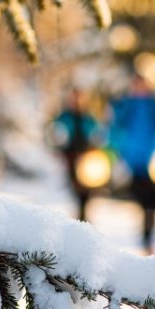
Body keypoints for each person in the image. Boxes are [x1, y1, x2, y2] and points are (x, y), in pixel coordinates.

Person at [108, 72, 155, 254]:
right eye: (136, 84)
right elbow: (113, 130)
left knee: (153, 202)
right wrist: (115, 153)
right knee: (142, 200)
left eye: (142, 84)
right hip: (133, 163)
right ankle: (146, 237)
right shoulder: (124, 105)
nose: (139, 87)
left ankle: (148, 239)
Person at [50, 87, 105, 221]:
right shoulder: (64, 117)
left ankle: (83, 217)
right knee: (76, 188)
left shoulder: (88, 118)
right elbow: (56, 135)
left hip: (87, 158)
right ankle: (81, 217)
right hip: (71, 156)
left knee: (86, 190)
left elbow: (97, 136)